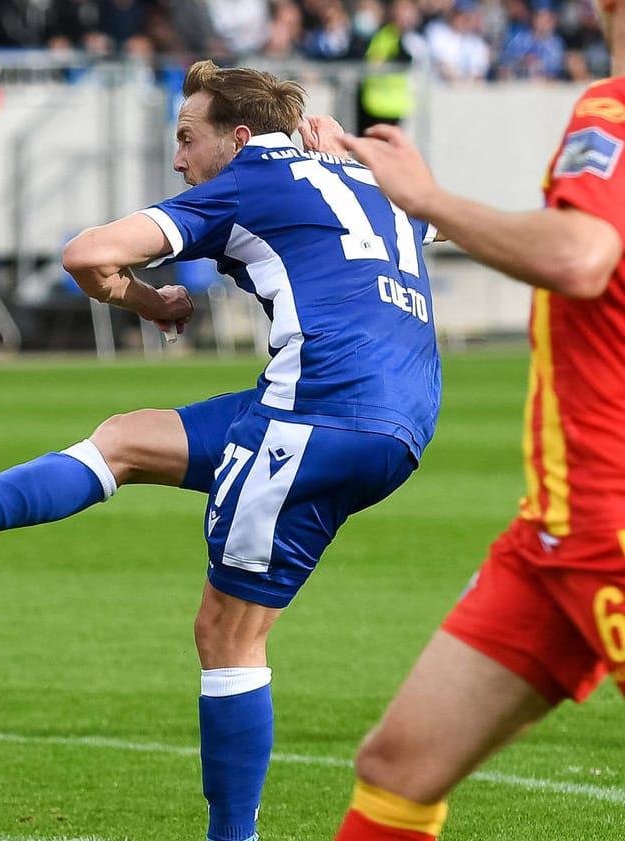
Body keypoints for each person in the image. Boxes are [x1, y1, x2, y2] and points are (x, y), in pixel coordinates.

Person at [0, 60, 442, 841]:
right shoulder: (368, 183)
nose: (178, 159)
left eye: (186, 137)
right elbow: (437, 214)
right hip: (399, 413)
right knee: (127, 440)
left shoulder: (247, 179)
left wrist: (146, 299)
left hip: (321, 412)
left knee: (227, 634)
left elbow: (86, 253)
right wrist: (347, 146)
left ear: (239, 139)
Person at [325, 3, 625, 838]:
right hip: (556, 540)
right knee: (400, 767)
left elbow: (578, 257)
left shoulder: (613, 107)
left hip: (611, 523)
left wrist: (428, 201)